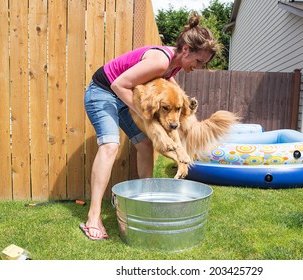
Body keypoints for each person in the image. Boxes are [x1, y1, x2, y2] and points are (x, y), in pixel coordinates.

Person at [80, 12, 220, 240]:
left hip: (125, 95)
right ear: (185, 50)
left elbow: (169, 90)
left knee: (145, 145)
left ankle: (145, 200)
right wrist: (149, 119)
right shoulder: (160, 60)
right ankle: (93, 217)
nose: (199, 67)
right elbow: (118, 84)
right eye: (198, 61)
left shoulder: (173, 66)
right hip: (102, 92)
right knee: (110, 145)